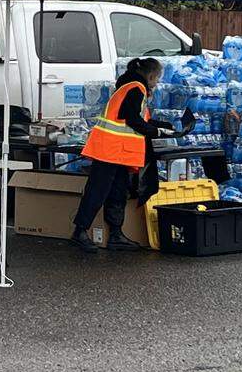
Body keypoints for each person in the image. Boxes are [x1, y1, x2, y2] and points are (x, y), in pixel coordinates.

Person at [70, 57, 177, 253]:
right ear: (151, 76)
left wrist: (164, 126)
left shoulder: (130, 87)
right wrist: (157, 132)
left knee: (118, 192)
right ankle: (80, 231)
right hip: (109, 149)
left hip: (118, 151)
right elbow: (132, 119)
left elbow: (140, 119)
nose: (157, 83)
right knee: (97, 191)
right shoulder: (136, 88)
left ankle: (116, 234)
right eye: (157, 79)